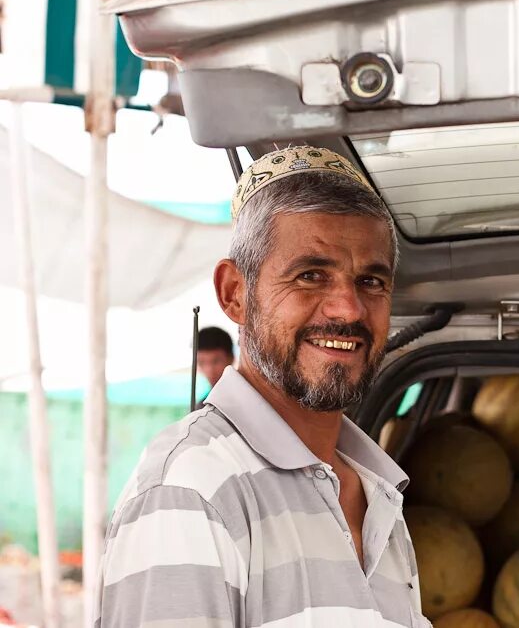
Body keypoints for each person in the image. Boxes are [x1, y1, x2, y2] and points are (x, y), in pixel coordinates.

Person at [92, 147, 429, 627]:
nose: (349, 309)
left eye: (371, 281)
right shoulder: (191, 490)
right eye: (311, 276)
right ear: (235, 294)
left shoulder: (378, 496)